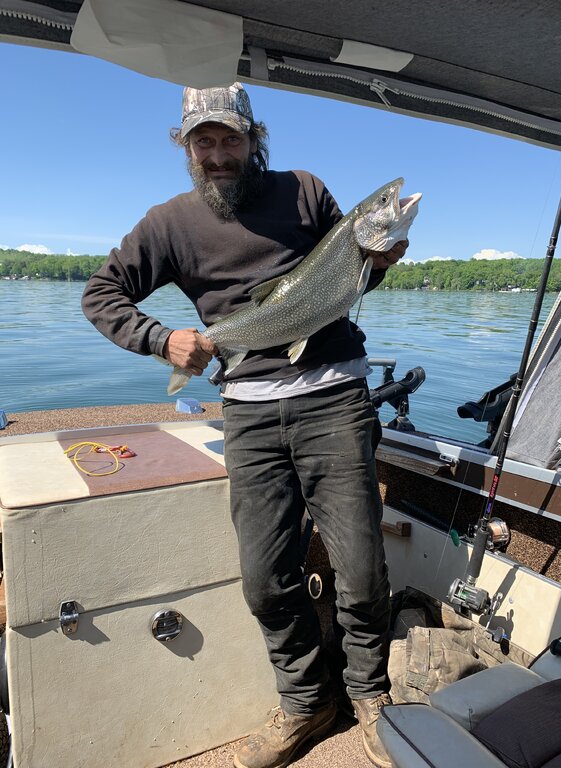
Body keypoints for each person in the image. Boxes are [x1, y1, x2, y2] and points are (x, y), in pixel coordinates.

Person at [82, 82, 409, 768]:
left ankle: (371, 696)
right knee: (264, 577)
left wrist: (374, 261)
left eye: (231, 138)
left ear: (253, 139)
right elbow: (100, 294)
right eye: (205, 141)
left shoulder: (306, 192)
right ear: (187, 148)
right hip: (249, 410)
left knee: (361, 565)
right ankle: (306, 704)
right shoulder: (168, 223)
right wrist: (159, 339)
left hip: (333, 396)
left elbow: (344, 282)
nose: (219, 153)